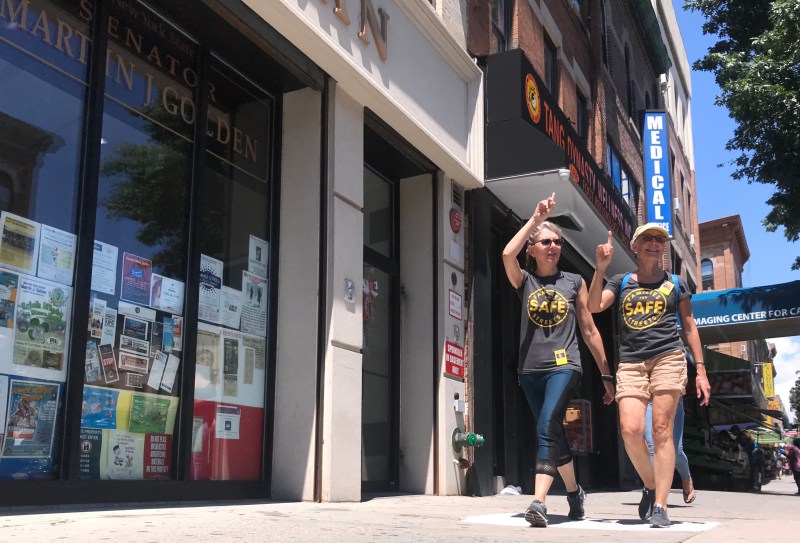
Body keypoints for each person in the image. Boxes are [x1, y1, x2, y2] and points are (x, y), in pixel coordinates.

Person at [502, 192, 615, 528]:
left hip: (565, 366)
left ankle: (537, 502)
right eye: (546, 242)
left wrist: (607, 375)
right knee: (554, 434)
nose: (554, 246)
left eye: (558, 242)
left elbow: (590, 330)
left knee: (546, 426)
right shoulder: (525, 280)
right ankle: (574, 491)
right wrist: (535, 219)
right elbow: (507, 253)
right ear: (533, 249)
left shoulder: (573, 282)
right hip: (530, 370)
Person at [588, 223, 711, 528]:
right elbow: (593, 305)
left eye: (659, 240)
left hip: (668, 357)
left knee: (661, 429)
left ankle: (661, 505)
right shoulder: (621, 281)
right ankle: (650, 483)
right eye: (648, 239)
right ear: (635, 245)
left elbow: (689, 326)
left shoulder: (676, 283)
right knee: (630, 430)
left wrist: (701, 371)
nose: (654, 243)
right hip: (631, 362)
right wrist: (600, 268)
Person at [644, 397, 695, 504]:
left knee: (676, 451)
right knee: (652, 448)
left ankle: (686, 479)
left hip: (671, 396)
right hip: (649, 398)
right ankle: (657, 494)